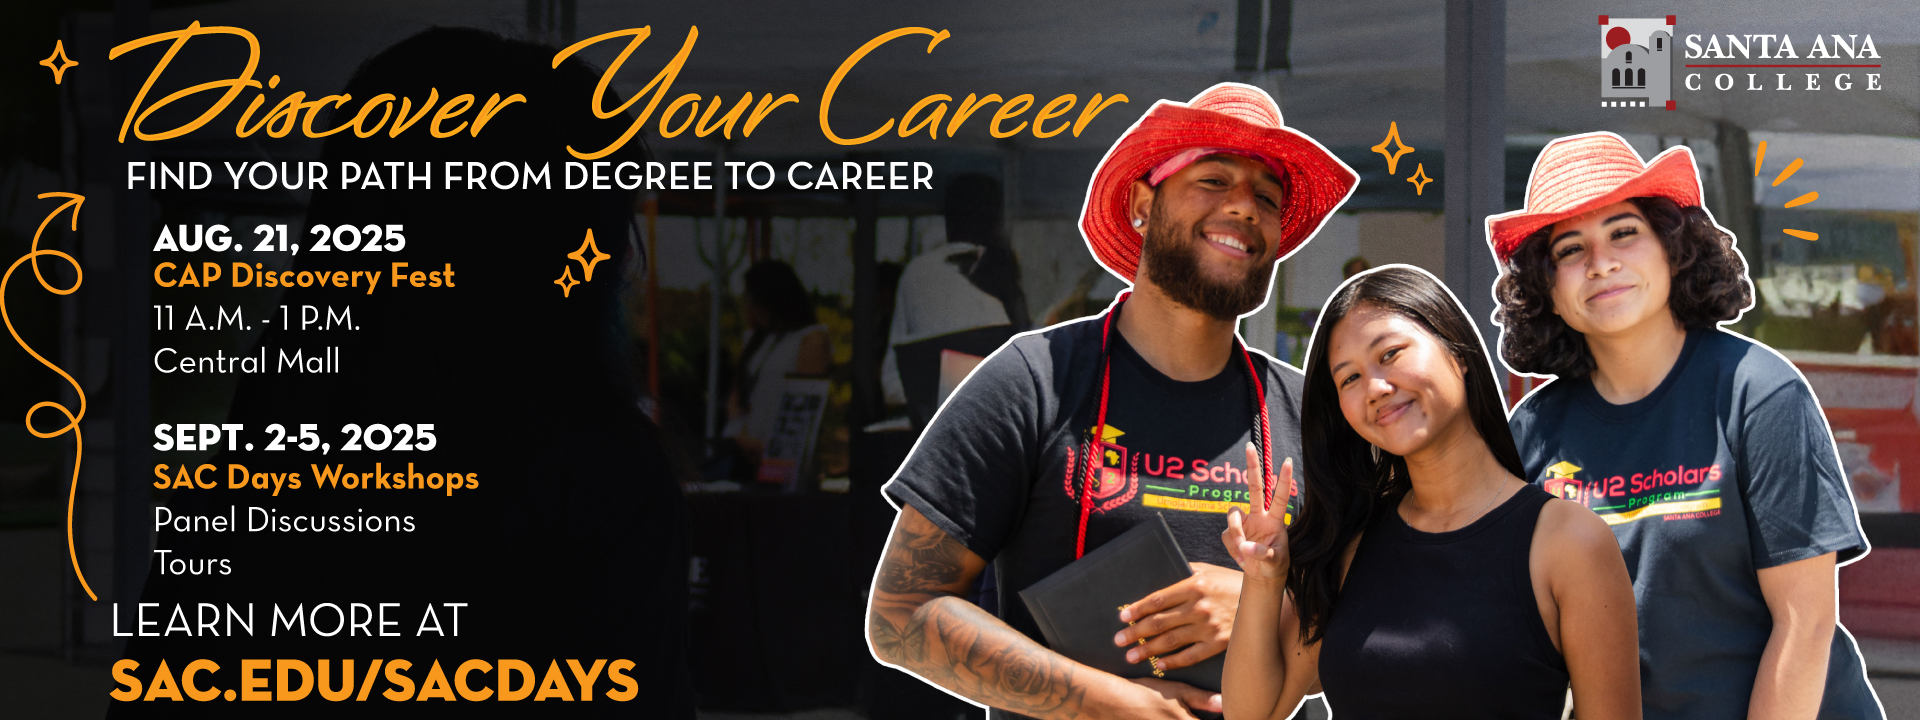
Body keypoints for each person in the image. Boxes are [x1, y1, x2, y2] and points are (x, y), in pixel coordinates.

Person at [866, 82, 1358, 720]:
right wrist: (1108, 704)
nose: (1244, 207)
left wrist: (1271, 605)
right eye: (1213, 179)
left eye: (1267, 197)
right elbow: (902, 614)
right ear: (1141, 204)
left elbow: (1380, 611)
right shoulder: (1032, 381)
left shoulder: (1313, 413)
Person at [1490, 132, 1883, 720]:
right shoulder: (1534, 431)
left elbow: (1805, 625)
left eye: (1624, 232)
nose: (1602, 263)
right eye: (1570, 249)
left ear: (1673, 248)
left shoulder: (1759, 392)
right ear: (1547, 287)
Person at [1220, 266, 1640, 720]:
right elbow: (1252, 714)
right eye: (1349, 379)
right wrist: (1265, 581)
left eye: (1391, 353)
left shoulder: (1569, 542)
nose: (1376, 388)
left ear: (1457, 352)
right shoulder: (1352, 543)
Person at [723, 260, 830, 477]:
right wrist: (739, 435)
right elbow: (736, 395)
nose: (750, 308)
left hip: (781, 457)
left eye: (753, 300)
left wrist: (775, 447)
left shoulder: (810, 338)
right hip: (746, 449)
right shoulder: (756, 340)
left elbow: (802, 406)